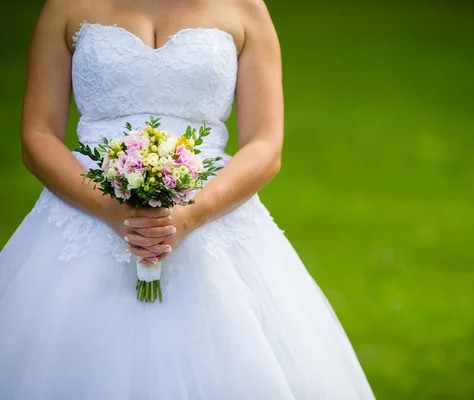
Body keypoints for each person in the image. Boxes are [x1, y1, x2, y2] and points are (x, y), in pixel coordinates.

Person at [0, 0, 375, 398]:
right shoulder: (66, 7)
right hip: (86, 211)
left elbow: (266, 142)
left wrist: (189, 216)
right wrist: (111, 209)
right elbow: (37, 135)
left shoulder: (245, 8)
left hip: (211, 216)